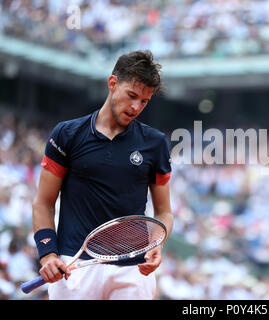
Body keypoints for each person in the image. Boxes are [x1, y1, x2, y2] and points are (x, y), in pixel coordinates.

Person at [31, 50, 173, 300]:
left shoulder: (155, 143)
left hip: (133, 269)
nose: (135, 107)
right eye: (132, 95)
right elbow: (43, 202)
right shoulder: (67, 134)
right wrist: (48, 254)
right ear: (112, 83)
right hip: (73, 266)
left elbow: (164, 213)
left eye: (144, 101)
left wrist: (156, 245)